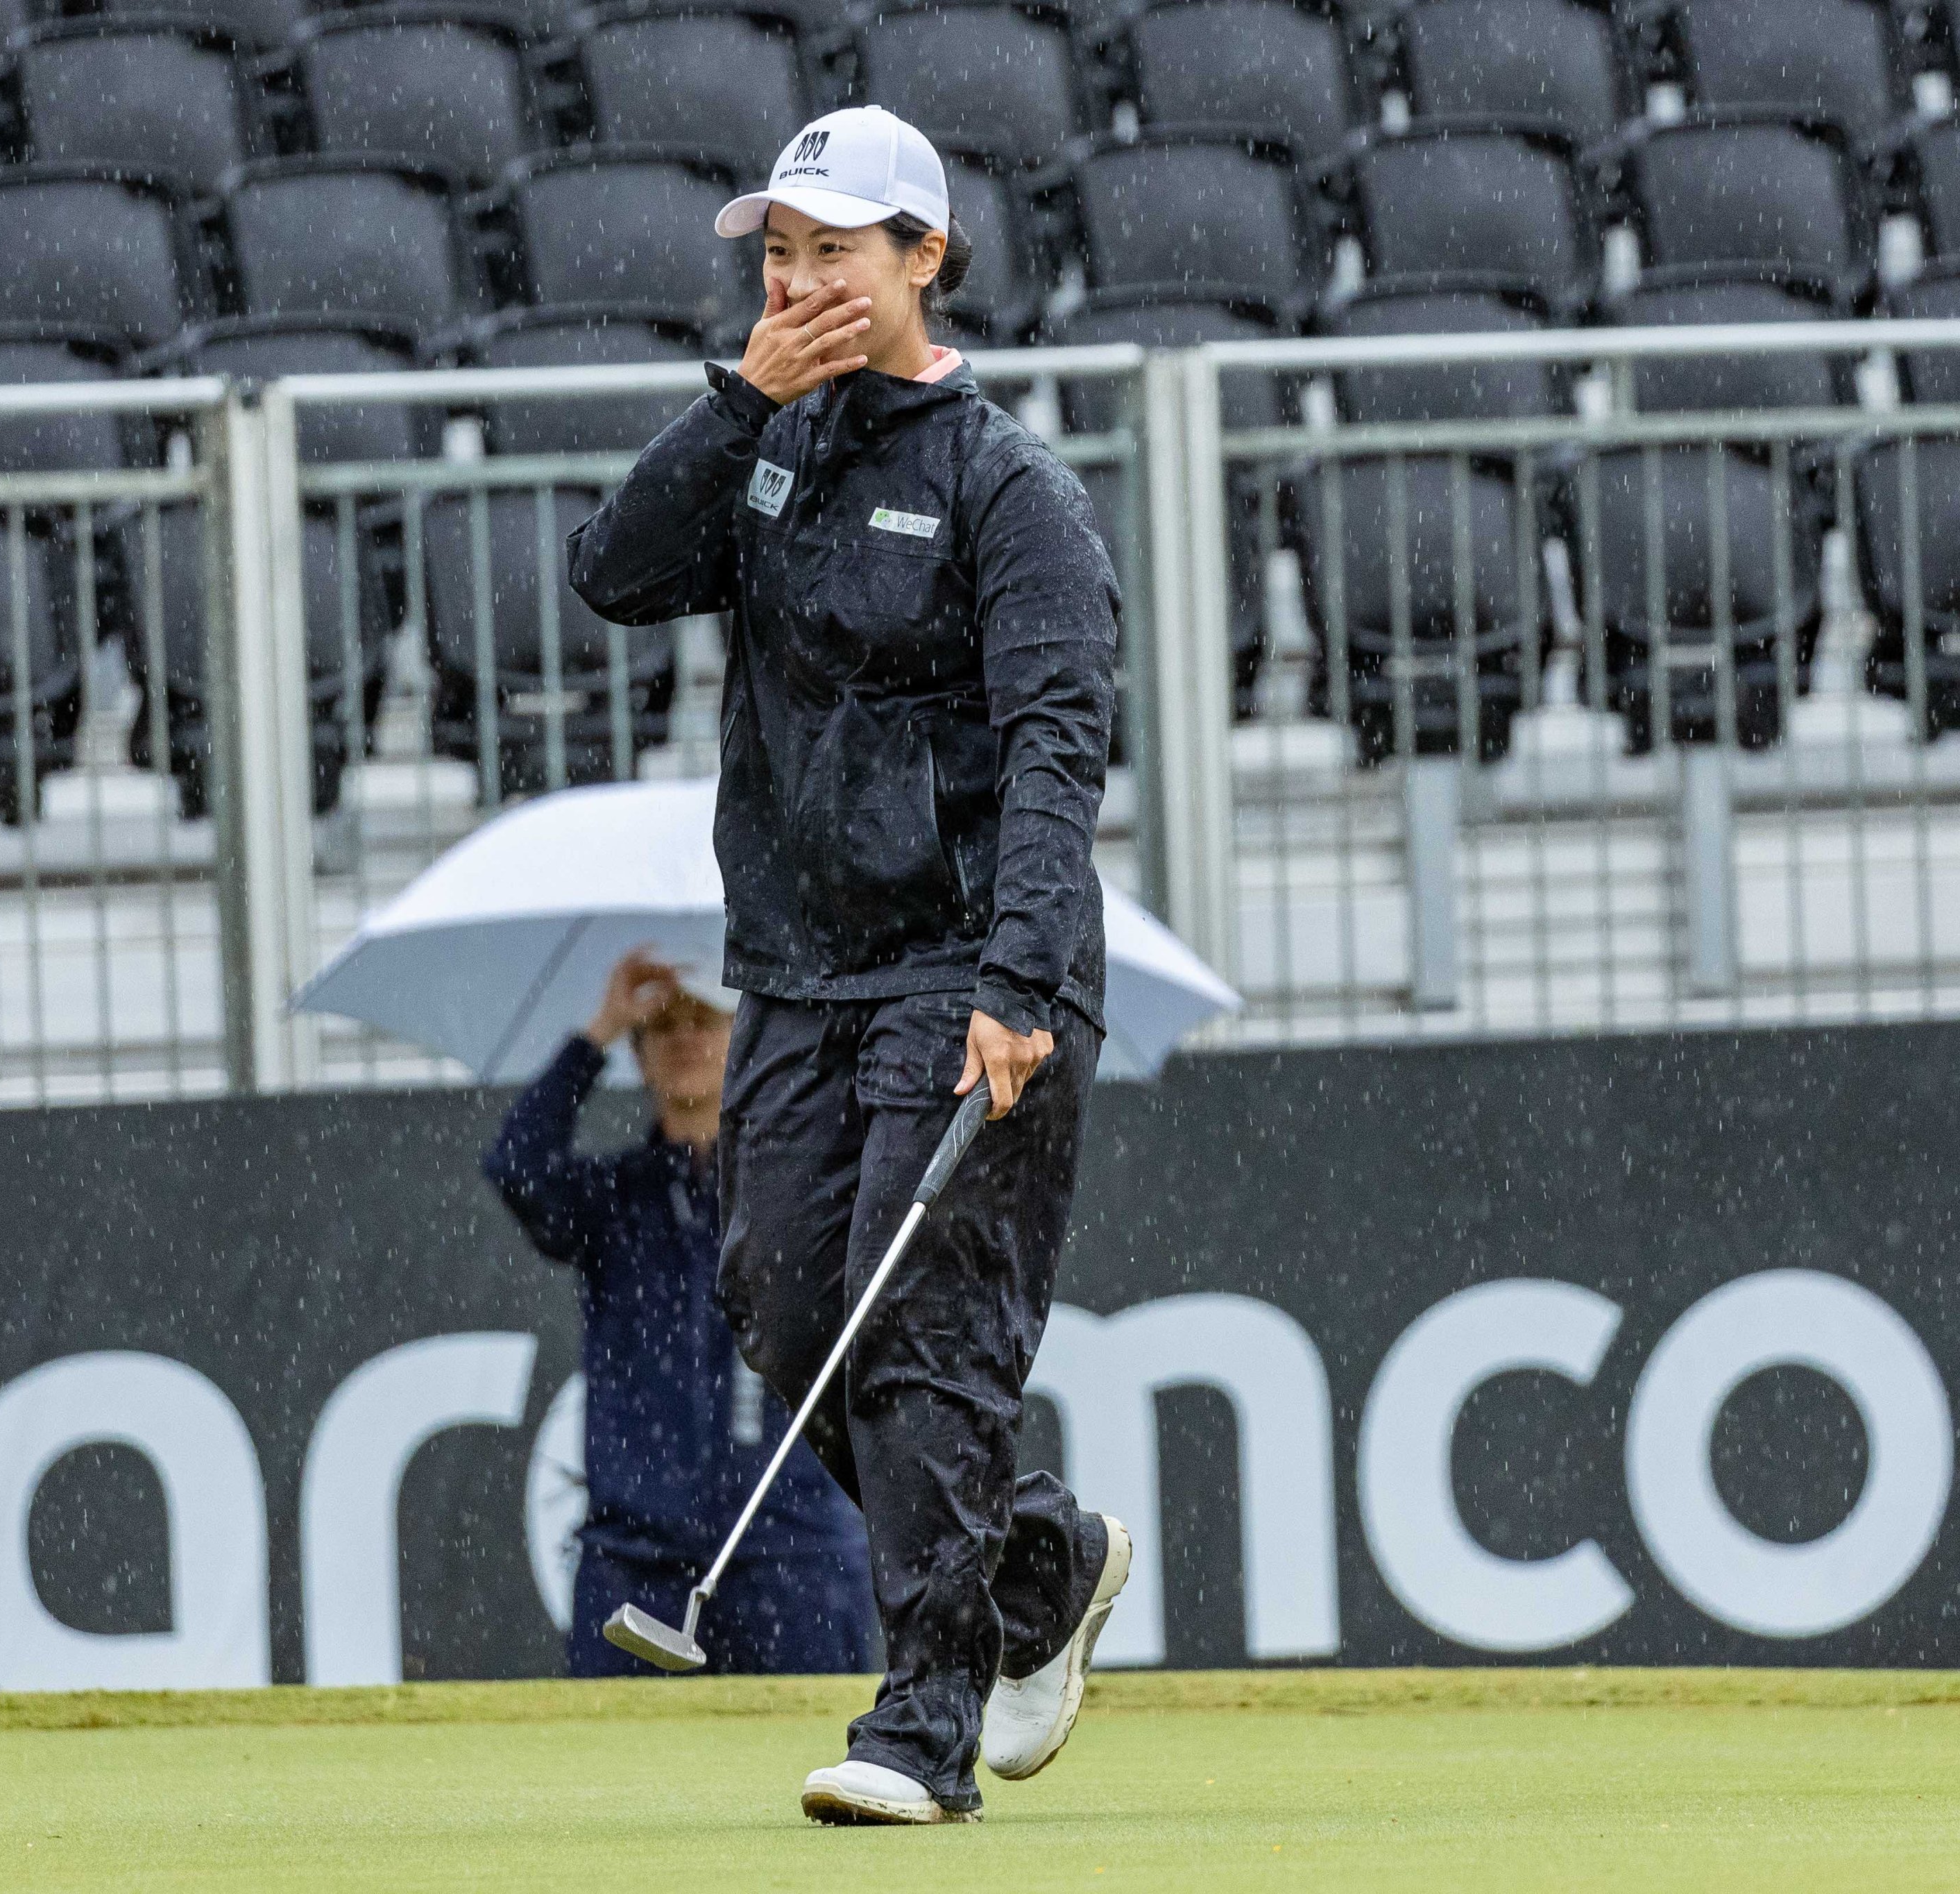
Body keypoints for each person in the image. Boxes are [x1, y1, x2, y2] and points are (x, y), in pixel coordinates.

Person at [568, 103, 1130, 1825]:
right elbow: (613, 572)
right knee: (787, 1308)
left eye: (834, 251)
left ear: (923, 262)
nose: (800, 279)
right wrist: (744, 395)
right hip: (798, 978)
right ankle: (1037, 1560)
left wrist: (1021, 983)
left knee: (917, 1325)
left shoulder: (1006, 484)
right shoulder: (772, 451)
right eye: (780, 254)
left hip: (968, 971)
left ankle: (924, 1724)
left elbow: (1057, 743)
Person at [483, 948, 876, 1679]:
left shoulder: (797, 1187)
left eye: (705, 1021)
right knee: (612, 1784)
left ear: (742, 1040)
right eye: (662, 1027)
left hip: (794, 1552)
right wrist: (597, 1031)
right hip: (636, 1560)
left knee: (827, 1775)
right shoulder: (615, 1198)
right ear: (638, 1054)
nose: (685, 1040)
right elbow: (516, 1167)